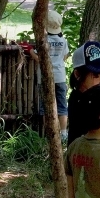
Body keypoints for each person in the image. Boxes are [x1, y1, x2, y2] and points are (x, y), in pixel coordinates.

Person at [28, 10, 70, 142]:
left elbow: (39, 58)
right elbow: (65, 56)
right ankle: (63, 134)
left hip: (45, 77)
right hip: (60, 77)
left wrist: (30, 51)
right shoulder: (63, 41)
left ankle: (49, 134)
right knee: (62, 106)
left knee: (45, 106)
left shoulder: (43, 40)